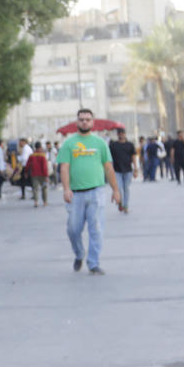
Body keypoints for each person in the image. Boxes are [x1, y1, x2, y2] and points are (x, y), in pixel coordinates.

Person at [57, 109, 121, 275]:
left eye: (87, 119)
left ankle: (93, 263)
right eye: (81, 119)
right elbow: (64, 167)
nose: (85, 122)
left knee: (97, 229)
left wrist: (115, 190)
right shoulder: (69, 144)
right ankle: (79, 253)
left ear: (92, 123)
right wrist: (66, 188)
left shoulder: (100, 143)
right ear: (77, 122)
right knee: (73, 229)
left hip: (96, 192)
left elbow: (108, 167)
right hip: (75, 194)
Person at [108, 128, 137, 213]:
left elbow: (134, 157)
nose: (121, 135)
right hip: (117, 170)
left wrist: (136, 169)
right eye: (119, 133)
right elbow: (109, 158)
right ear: (117, 134)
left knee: (126, 188)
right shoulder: (113, 145)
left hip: (128, 170)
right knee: (119, 188)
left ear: (125, 134)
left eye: (122, 133)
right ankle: (120, 202)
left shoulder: (130, 145)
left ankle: (126, 205)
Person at [24, 142, 49, 208]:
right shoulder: (43, 155)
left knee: (35, 189)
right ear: (40, 147)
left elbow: (27, 165)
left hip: (34, 174)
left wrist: (26, 172)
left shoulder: (31, 155)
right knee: (44, 188)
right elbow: (44, 167)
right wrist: (46, 175)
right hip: (43, 175)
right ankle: (45, 202)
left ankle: (36, 202)